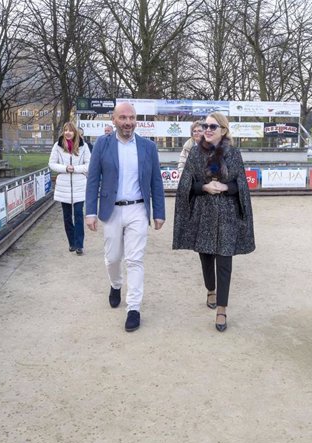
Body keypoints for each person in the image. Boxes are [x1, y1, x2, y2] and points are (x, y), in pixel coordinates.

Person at [85, 102, 166, 332]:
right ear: (114, 119)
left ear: (136, 120)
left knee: (135, 260)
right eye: (123, 118)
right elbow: (93, 179)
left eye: (131, 118)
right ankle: (115, 284)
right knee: (112, 258)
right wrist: (90, 212)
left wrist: (158, 212)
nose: (128, 122)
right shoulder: (102, 144)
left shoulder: (148, 147)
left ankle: (133, 308)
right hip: (112, 210)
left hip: (138, 210)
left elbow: (156, 182)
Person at [172, 112, 255, 332]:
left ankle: (222, 309)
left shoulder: (234, 154)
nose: (207, 129)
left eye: (212, 126)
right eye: (205, 125)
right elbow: (186, 185)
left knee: (224, 260)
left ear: (223, 130)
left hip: (227, 215)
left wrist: (227, 188)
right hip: (204, 213)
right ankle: (210, 288)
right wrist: (205, 187)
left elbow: (242, 187)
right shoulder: (196, 153)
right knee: (206, 256)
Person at [48, 122, 92, 255]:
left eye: (70, 130)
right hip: (63, 186)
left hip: (79, 185)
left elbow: (89, 164)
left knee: (78, 214)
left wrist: (76, 169)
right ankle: (71, 242)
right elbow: (52, 164)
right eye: (65, 130)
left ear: (75, 133)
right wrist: (65, 168)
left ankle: (79, 245)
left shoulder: (83, 146)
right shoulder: (58, 146)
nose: (67, 132)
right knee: (67, 216)